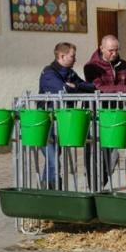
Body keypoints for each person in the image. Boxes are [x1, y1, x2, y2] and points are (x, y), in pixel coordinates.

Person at [84, 35, 126, 190]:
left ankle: (98, 186)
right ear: (102, 48)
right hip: (97, 115)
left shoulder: (123, 65)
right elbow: (99, 88)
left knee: (113, 155)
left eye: (116, 50)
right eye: (111, 50)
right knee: (95, 153)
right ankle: (94, 188)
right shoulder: (91, 66)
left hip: (116, 115)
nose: (114, 53)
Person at [38, 42, 95, 189]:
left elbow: (91, 87)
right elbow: (62, 92)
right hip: (46, 123)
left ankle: (47, 190)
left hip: (62, 122)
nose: (75, 59)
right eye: (72, 56)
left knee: (54, 158)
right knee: (53, 160)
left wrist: (75, 86)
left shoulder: (70, 73)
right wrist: (73, 89)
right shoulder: (49, 73)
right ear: (62, 56)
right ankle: (53, 189)